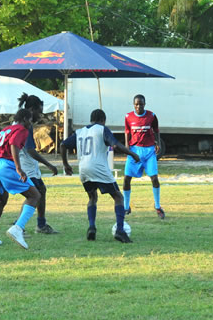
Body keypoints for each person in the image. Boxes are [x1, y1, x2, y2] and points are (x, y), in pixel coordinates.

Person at [61, 109, 140, 243]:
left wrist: (66, 165)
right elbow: (115, 145)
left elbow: (63, 144)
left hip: (84, 168)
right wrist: (132, 154)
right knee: (118, 197)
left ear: (91, 119)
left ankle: (91, 227)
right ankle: (120, 231)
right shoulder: (102, 129)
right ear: (103, 120)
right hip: (98, 168)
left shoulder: (80, 132)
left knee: (92, 197)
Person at [0, 108, 40, 249]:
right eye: (31, 119)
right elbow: (14, 144)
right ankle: (18, 228)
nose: (31, 123)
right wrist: (19, 168)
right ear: (26, 119)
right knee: (35, 195)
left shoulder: (6, 129)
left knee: (2, 200)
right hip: (5, 164)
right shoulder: (22, 129)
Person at [16, 93, 59, 234]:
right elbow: (30, 150)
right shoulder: (25, 124)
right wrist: (49, 164)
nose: (40, 116)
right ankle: (19, 227)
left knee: (41, 191)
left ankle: (40, 224)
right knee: (33, 195)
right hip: (25, 166)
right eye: (39, 111)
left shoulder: (17, 121)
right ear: (32, 109)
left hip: (26, 165)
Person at [123, 94, 165, 219]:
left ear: (144, 104)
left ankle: (157, 206)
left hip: (149, 151)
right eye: (136, 104)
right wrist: (127, 147)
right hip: (134, 151)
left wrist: (157, 142)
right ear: (133, 105)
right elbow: (127, 132)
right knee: (126, 179)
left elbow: (156, 130)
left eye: (141, 104)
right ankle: (126, 207)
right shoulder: (128, 117)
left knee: (154, 178)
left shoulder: (151, 116)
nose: (138, 106)